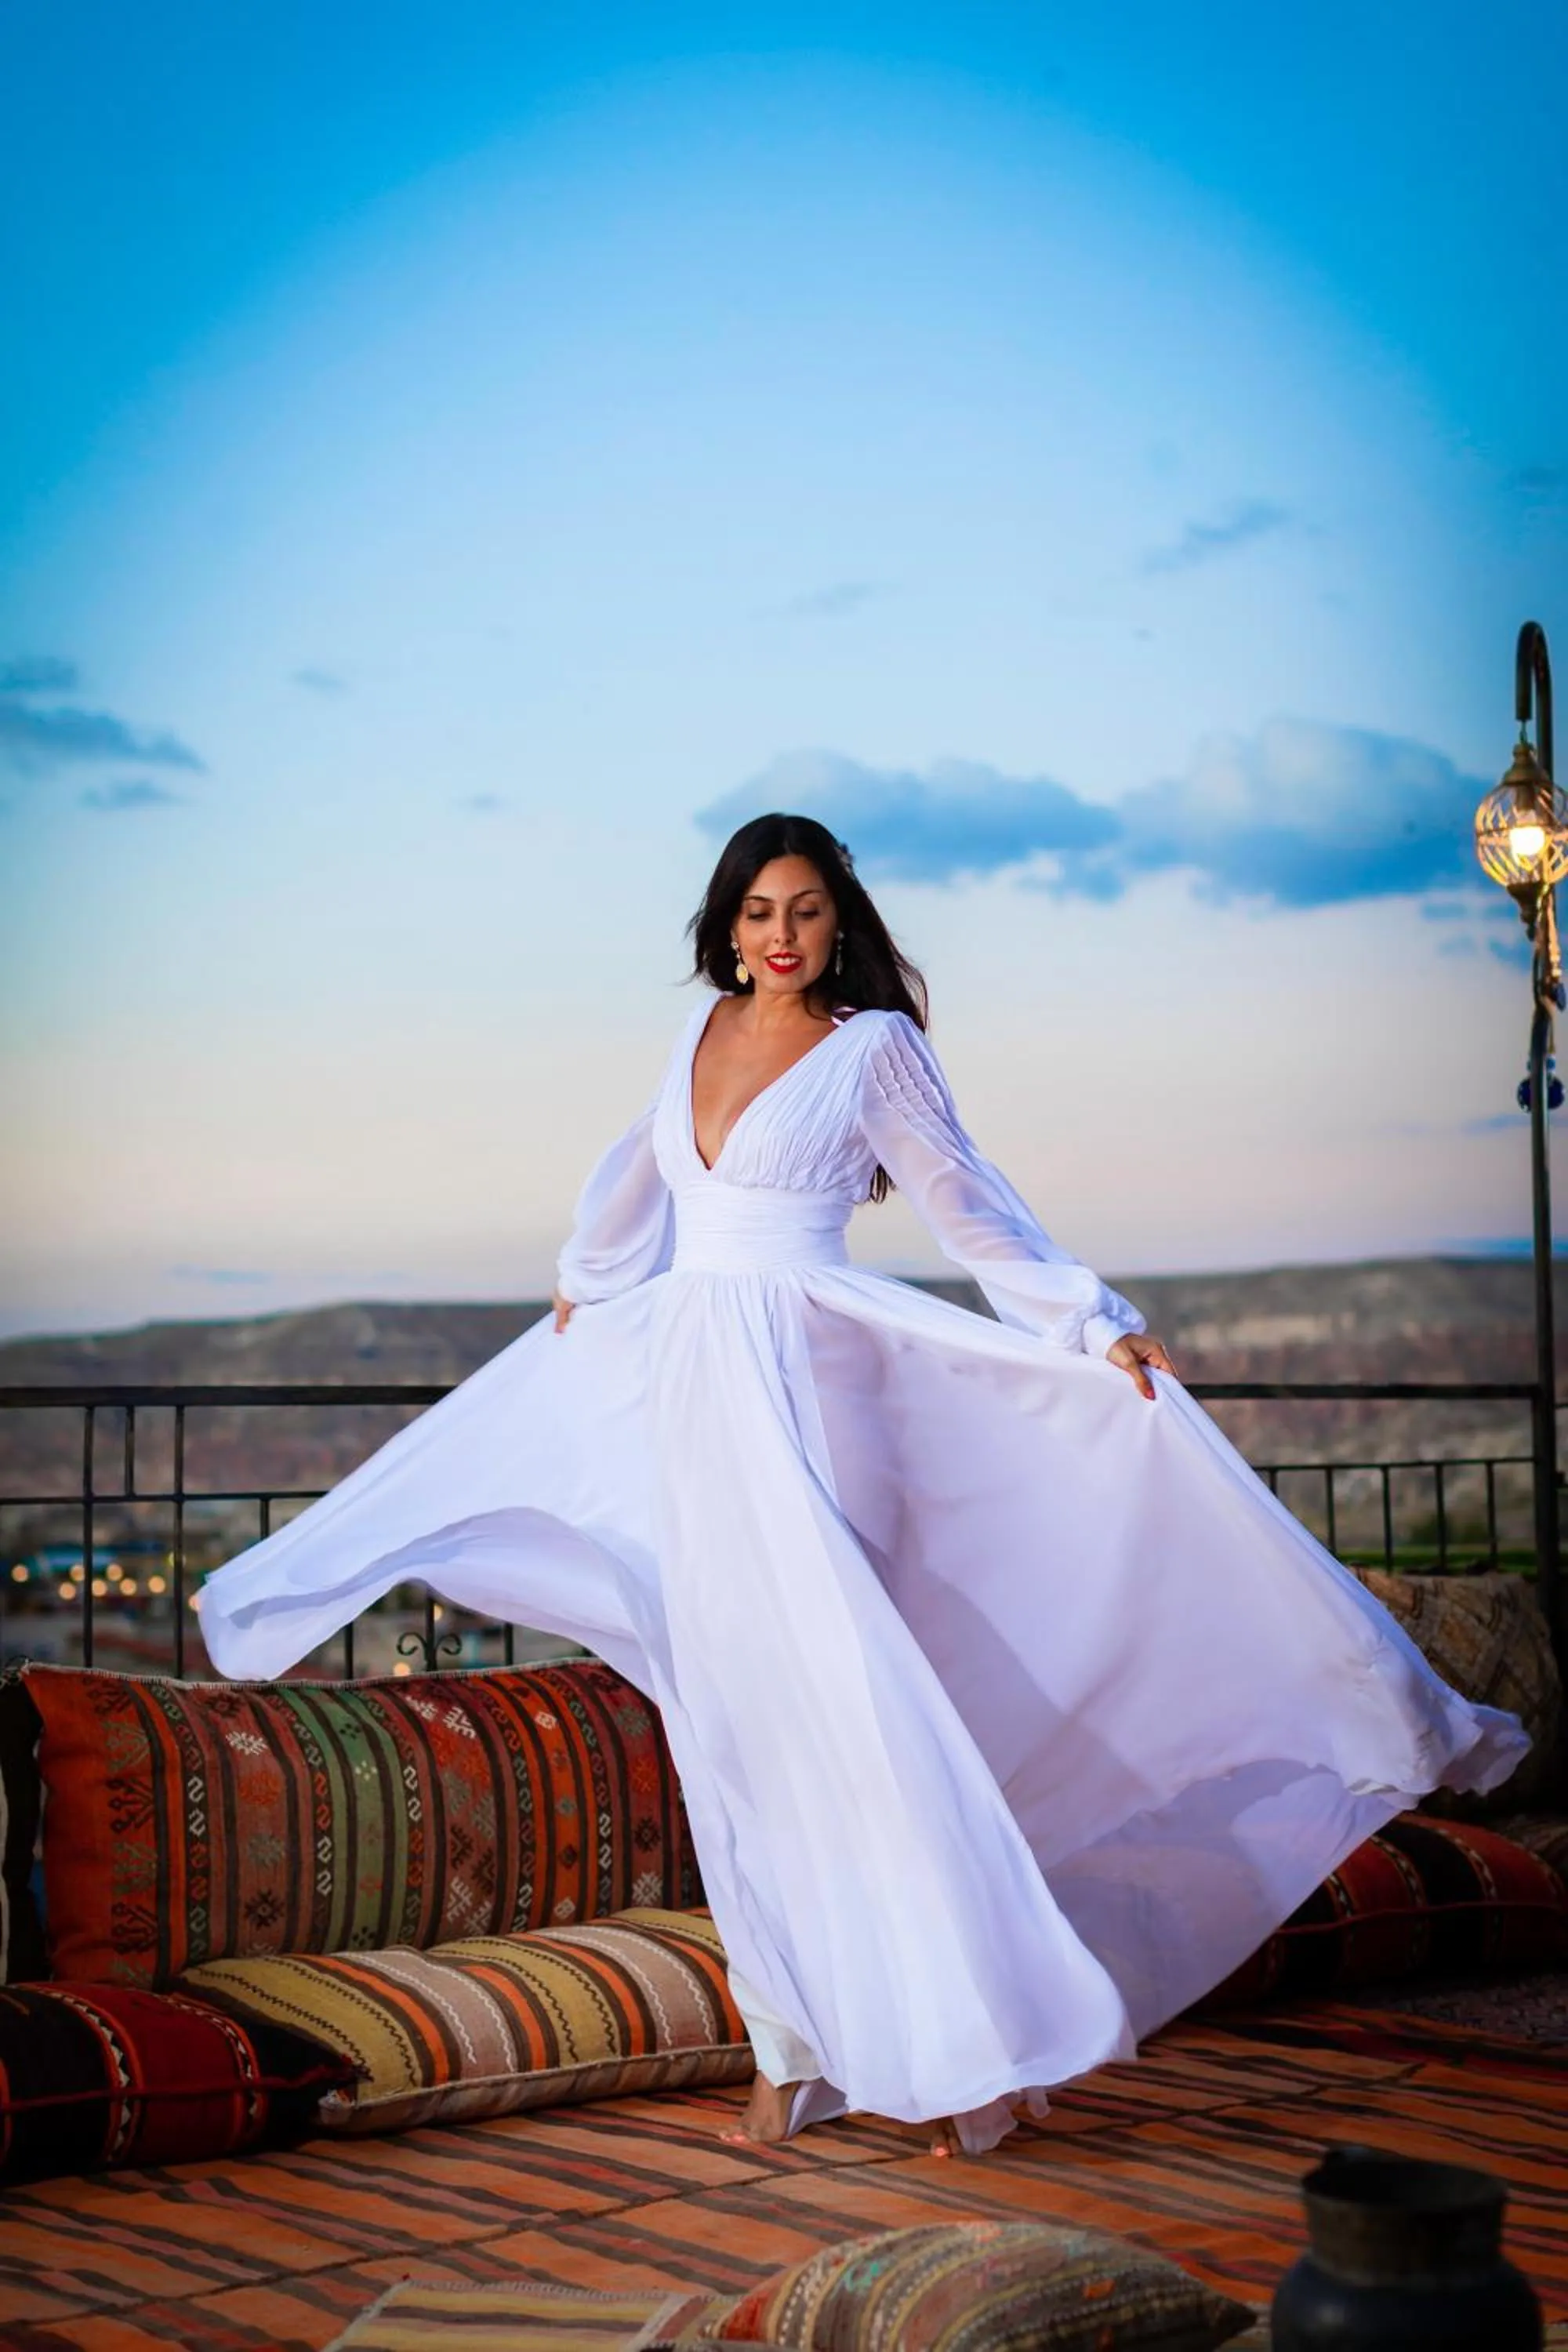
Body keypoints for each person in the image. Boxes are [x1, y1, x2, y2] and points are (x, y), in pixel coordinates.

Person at [198, 811, 1528, 2159]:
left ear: (840, 926)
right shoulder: (697, 1031)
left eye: (807, 911)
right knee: (735, 1742)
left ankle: (970, 2054)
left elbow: (967, 1200)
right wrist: (587, 1287)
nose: (781, 936)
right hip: (692, 1409)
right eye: (760, 912)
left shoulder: (873, 1047)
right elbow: (640, 1178)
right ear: (727, 926)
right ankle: (792, 2050)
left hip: (814, 1404)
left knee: (863, 1728)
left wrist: (1087, 1322)